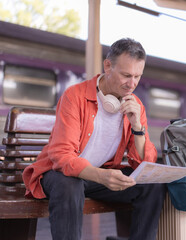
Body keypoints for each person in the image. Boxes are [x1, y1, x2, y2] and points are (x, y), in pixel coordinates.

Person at [22, 38, 166, 240]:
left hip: (98, 176)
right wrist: (101, 176)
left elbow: (144, 166)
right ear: (108, 66)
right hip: (59, 173)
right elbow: (61, 156)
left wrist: (137, 128)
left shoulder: (136, 106)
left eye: (137, 76)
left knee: (151, 185)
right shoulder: (75, 96)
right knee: (69, 184)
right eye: (126, 75)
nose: (132, 84)